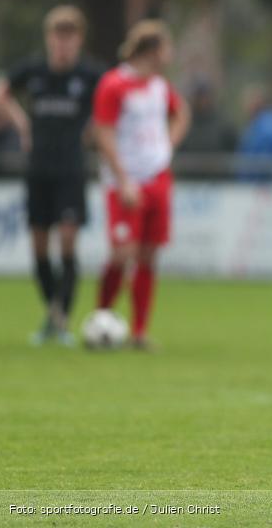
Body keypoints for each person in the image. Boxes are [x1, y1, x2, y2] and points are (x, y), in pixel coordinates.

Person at [0, 5, 103, 345]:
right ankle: (52, 315)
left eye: (69, 37)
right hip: (38, 168)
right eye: (58, 37)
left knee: (68, 240)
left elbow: (110, 104)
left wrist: (94, 130)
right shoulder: (33, 70)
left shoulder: (90, 75)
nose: (62, 44)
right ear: (49, 39)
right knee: (39, 247)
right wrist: (22, 124)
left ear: (79, 40)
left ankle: (62, 320)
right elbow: (1, 93)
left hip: (71, 169)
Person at [91, 20, 190, 350]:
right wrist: (123, 180)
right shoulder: (114, 84)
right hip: (125, 181)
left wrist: (166, 147)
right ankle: (101, 317)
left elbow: (181, 114)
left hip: (157, 178)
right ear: (153, 50)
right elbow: (103, 132)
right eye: (167, 48)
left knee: (148, 255)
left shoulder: (160, 86)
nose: (170, 54)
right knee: (122, 254)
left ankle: (139, 331)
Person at [235, 84, 272, 182]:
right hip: (252, 182)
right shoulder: (255, 123)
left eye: (249, 100)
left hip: (263, 183)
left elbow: (265, 158)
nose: (245, 105)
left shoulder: (269, 124)